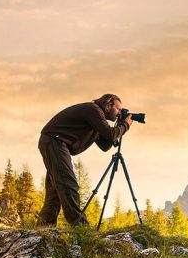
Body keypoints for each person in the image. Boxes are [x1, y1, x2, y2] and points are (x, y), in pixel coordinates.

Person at [36, 93, 133, 226]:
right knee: (68, 184)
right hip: (55, 141)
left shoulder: (96, 117)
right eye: (118, 109)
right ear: (109, 105)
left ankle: (44, 225)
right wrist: (125, 125)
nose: (119, 113)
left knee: (55, 189)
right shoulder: (93, 110)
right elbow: (111, 135)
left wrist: (120, 126)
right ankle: (81, 227)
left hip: (53, 142)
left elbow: (105, 145)